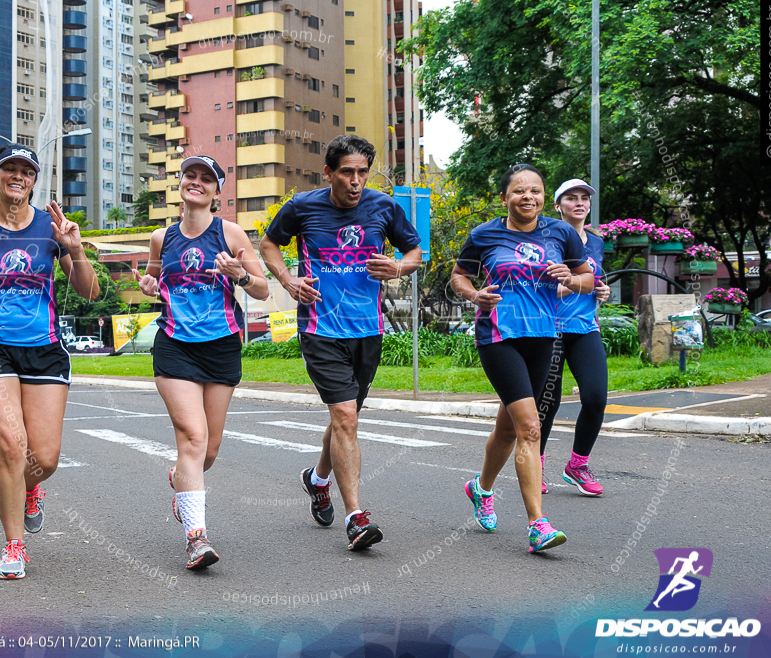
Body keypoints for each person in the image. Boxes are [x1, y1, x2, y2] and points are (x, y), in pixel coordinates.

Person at [0, 143, 99, 580]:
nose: (17, 176)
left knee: (42, 458)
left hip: (44, 349)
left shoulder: (53, 228)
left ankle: (30, 489)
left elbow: (89, 292)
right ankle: (14, 546)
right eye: (9, 168)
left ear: (33, 180)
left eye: (26, 171)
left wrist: (75, 249)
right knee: (11, 447)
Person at [259, 135, 423, 551]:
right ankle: (356, 517)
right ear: (328, 172)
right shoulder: (302, 207)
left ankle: (316, 480)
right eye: (347, 172)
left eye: (362, 172)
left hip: (367, 331)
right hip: (320, 329)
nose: (355, 181)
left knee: (342, 420)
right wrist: (288, 279)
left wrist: (399, 267)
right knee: (346, 417)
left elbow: (415, 251)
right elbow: (269, 244)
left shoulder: (384, 207)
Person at [450, 163, 595, 553]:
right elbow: (459, 276)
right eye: (519, 191)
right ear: (504, 198)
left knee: (509, 428)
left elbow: (588, 281)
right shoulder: (485, 234)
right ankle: (538, 526)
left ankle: (480, 489)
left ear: (543, 196)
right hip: (498, 335)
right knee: (531, 426)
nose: (528, 197)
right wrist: (473, 295)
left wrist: (570, 277)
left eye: (535, 190)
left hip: (543, 337)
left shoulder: (561, 233)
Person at [133, 155, 269, 570]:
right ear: (180, 183)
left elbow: (263, 289)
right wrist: (149, 286)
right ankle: (197, 538)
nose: (196, 183)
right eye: (190, 175)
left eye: (205, 179)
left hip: (222, 346)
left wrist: (239, 275)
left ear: (216, 191)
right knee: (192, 437)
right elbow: (155, 285)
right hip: (175, 344)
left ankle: (181, 483)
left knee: (209, 448)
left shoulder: (230, 233)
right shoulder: (162, 238)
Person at [538, 179, 610, 496]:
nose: (579, 203)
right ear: (558, 206)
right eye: (571, 198)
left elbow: (596, 279)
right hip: (549, 329)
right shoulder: (545, 240)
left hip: (584, 328)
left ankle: (577, 466)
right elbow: (540, 287)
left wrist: (601, 289)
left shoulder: (595, 242)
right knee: (546, 404)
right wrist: (577, 284)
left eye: (584, 198)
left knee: (595, 398)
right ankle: (534, 466)